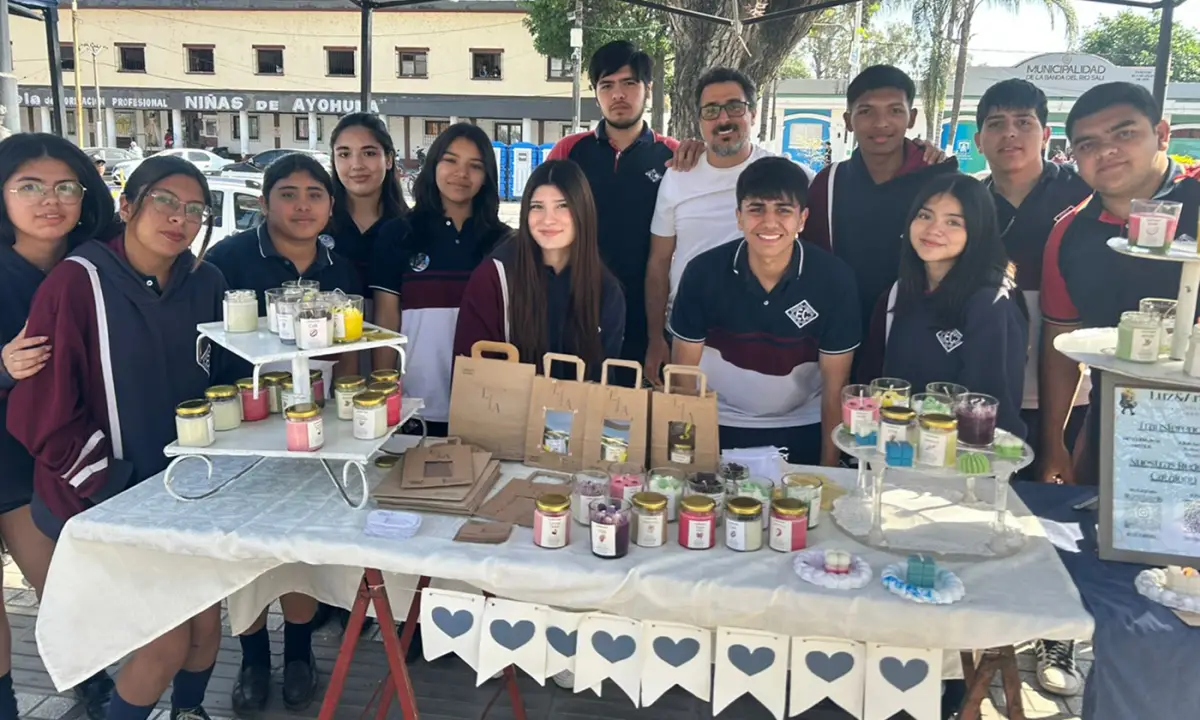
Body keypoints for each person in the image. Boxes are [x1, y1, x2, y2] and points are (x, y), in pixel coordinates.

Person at [7, 155, 226, 720]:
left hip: (182, 492)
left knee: (205, 627)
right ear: (127, 205)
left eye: (195, 209)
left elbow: (223, 384)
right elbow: (40, 415)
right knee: (164, 642)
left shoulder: (206, 283)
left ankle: (189, 711)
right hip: (103, 497)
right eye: (164, 201)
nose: (180, 217)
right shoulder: (77, 283)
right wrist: (112, 485)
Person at [1039, 82, 1197, 696]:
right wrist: (1056, 441)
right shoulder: (1071, 233)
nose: (1106, 152)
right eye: (1088, 144)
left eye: (1123, 133)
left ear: (1161, 134)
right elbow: (1060, 344)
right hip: (1119, 424)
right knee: (1115, 580)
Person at [0, 134, 117, 720]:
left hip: (50, 458)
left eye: (65, 186)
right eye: (29, 186)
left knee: (62, 588)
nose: (50, 200)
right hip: (4, 451)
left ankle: (92, 686)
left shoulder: (100, 265)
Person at [667, 156, 860, 465]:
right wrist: (682, 464)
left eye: (783, 210)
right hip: (718, 419)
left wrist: (829, 471)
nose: (769, 222)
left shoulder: (834, 279)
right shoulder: (703, 273)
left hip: (802, 422)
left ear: (802, 219)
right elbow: (683, 380)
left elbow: (835, 388)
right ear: (739, 217)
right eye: (756, 209)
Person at [973, 79, 1092, 466]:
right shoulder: (966, 203)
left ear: (1046, 134)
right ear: (979, 140)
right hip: (987, 392)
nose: (1009, 133)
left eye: (1024, 122)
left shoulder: (1085, 196)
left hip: (1075, 392)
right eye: (996, 123)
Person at [547, 40, 679, 378]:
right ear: (595, 93)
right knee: (572, 412)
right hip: (576, 307)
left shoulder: (674, 157)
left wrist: (658, 335)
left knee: (630, 418)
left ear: (648, 90)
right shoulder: (569, 151)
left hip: (645, 312)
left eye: (629, 83)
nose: (618, 94)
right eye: (607, 85)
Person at [646, 67, 785, 385]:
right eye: (711, 110)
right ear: (699, 120)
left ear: (752, 113)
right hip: (684, 336)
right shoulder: (677, 176)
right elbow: (658, 262)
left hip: (760, 341)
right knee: (684, 429)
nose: (723, 119)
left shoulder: (782, 174)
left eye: (734, 107)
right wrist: (655, 338)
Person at [803, 65, 959, 347]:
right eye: (866, 111)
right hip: (844, 335)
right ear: (848, 120)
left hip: (922, 336)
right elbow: (812, 261)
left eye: (895, 111)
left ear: (911, 118)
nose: (881, 123)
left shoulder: (940, 180)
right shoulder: (829, 183)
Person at [370, 123, 509, 437]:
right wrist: (384, 395)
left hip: (486, 408)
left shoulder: (503, 243)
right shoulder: (398, 234)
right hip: (414, 405)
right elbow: (386, 320)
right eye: (451, 161)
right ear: (433, 166)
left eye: (475, 166)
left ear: (487, 177)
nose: (461, 173)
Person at [865, 174, 1028, 436]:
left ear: (978, 230)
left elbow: (990, 407)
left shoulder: (990, 303)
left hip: (962, 462)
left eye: (953, 222)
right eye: (925, 215)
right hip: (898, 453)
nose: (933, 230)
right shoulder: (898, 293)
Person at [454, 159, 625, 381]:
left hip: (579, 413)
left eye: (562, 206)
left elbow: (604, 382)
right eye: (537, 207)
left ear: (583, 210)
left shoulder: (606, 289)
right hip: (503, 412)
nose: (548, 220)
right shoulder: (495, 277)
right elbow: (470, 375)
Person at [327, 113, 409, 283]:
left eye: (369, 153)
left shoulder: (411, 229)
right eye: (344, 154)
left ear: (388, 160)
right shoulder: (315, 225)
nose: (357, 165)